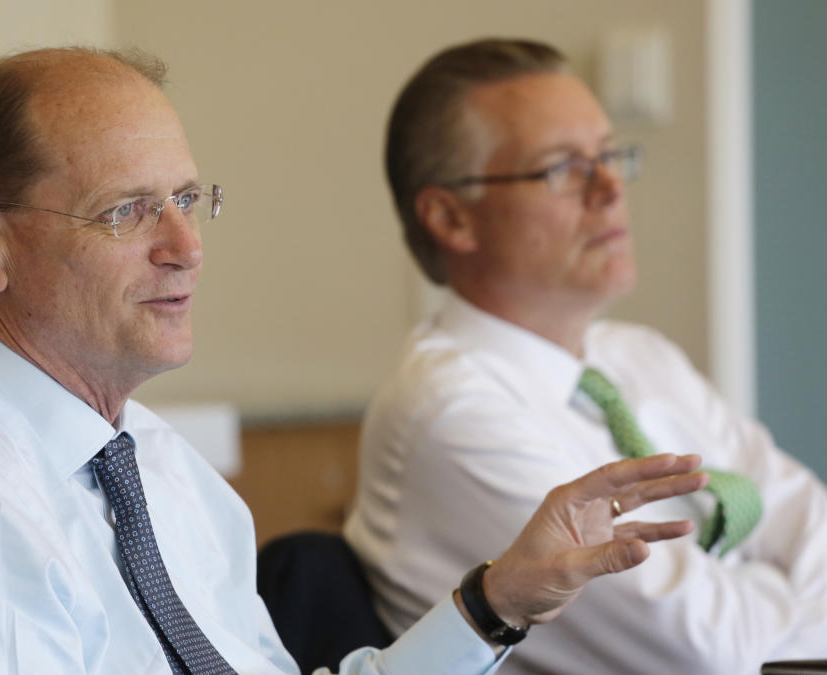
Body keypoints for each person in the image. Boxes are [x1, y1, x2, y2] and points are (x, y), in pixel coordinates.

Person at [0, 46, 707, 674]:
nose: (187, 247)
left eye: (188, 200)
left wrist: (495, 603)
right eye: (127, 211)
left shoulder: (159, 466)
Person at [343, 37, 827, 675]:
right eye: (563, 168)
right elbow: (709, 654)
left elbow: (804, 515)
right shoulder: (449, 410)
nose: (609, 188)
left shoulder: (638, 355)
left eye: (609, 155)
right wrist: (774, 581)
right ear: (452, 218)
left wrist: (748, 596)